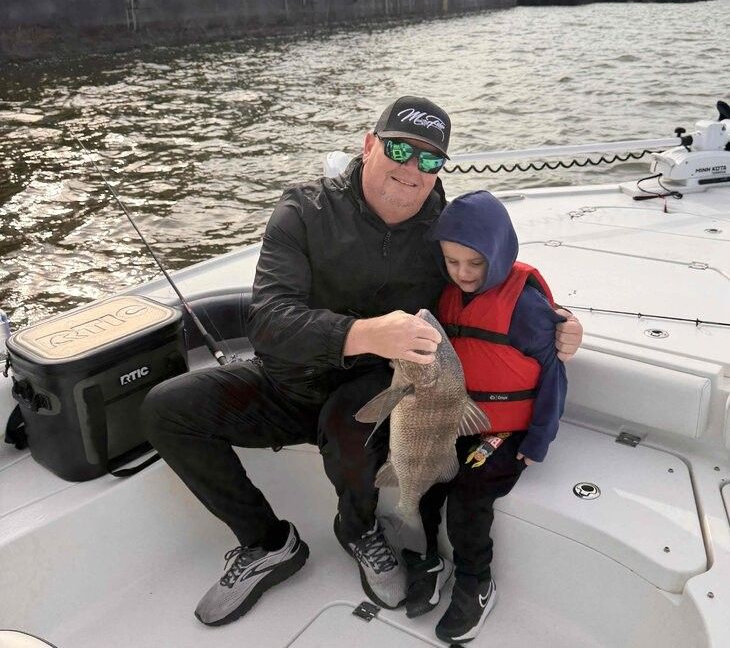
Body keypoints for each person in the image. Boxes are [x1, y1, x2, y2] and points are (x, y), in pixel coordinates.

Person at [141, 96, 583, 628]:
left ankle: (360, 532)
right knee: (167, 408)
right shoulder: (303, 211)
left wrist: (556, 319)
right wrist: (365, 332)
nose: (411, 169)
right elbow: (266, 320)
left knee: (350, 426)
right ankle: (268, 542)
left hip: (374, 391)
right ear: (368, 145)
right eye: (399, 148)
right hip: (284, 383)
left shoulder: (442, 231)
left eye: (429, 160)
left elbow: (491, 278)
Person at [403, 190, 566, 644]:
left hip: (506, 431)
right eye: (453, 263)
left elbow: (554, 374)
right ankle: (432, 559)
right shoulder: (447, 296)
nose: (464, 274)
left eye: (475, 264)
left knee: (470, 494)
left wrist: (538, 440)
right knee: (429, 478)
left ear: (498, 253)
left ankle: (476, 581)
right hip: (458, 417)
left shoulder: (527, 309)